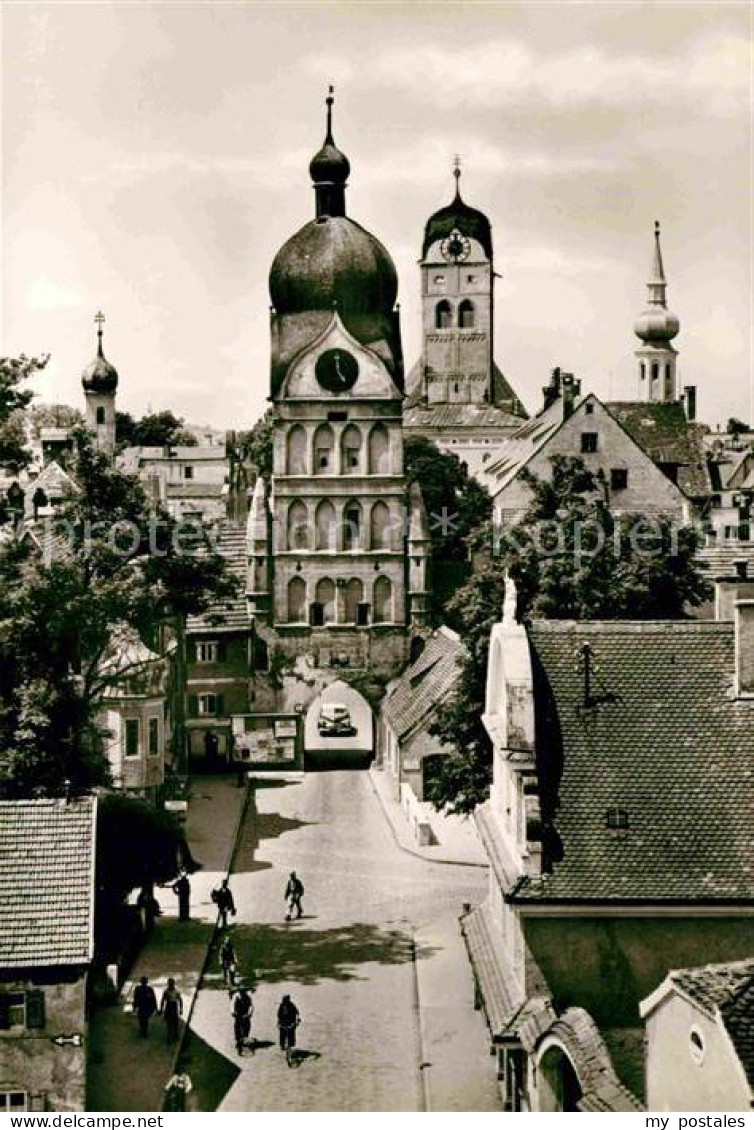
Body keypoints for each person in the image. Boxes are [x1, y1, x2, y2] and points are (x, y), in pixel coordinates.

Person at [277, 994, 300, 1063]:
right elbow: (279, 1015)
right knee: (282, 1035)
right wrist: (279, 1023)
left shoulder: (291, 1005)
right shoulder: (281, 1006)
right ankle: (283, 1045)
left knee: (290, 1035)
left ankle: (290, 1045)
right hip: (283, 1023)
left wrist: (296, 1021)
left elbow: (297, 1013)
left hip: (290, 1023)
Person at [160, 977, 183, 1044]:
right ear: (168, 984)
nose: (170, 985)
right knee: (169, 1023)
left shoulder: (176, 991)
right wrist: (161, 1009)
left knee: (175, 1022)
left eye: (171, 983)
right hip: (168, 1007)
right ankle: (169, 1037)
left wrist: (181, 1009)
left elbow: (180, 1000)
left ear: (173, 984)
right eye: (169, 984)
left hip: (174, 1006)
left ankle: (175, 1036)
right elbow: (163, 1000)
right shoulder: (166, 992)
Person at [232, 987, 253, 1056]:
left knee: (246, 1028)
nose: (242, 993)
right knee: (237, 1028)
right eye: (241, 991)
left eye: (243, 991)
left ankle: (245, 1039)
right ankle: (238, 1041)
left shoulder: (248, 997)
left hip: (245, 1015)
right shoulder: (236, 996)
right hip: (238, 1014)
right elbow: (232, 1005)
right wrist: (233, 1012)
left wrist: (249, 1014)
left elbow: (251, 1006)